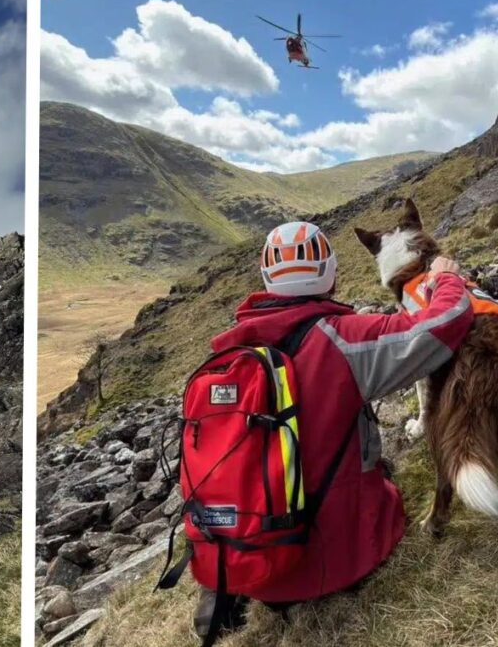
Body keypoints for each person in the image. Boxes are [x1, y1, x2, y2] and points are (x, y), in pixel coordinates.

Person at [193, 221, 474, 639]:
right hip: (335, 562)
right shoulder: (345, 340)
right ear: (331, 273)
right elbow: (442, 325)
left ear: (267, 279)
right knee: (384, 479)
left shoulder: (228, 354)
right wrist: (447, 277)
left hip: (248, 556)